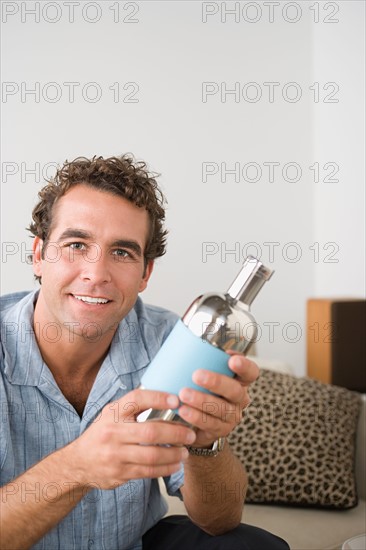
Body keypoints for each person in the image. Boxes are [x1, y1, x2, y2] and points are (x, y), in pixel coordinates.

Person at [0, 155, 289, 549]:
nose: (96, 273)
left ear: (145, 274)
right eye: (76, 244)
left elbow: (220, 520)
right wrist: (78, 466)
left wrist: (205, 445)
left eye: (121, 253)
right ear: (38, 254)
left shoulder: (171, 340)